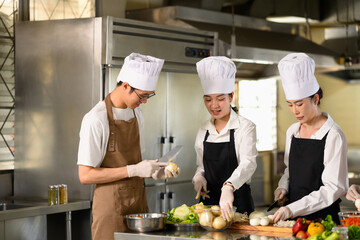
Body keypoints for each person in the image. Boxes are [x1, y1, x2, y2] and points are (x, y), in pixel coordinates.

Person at [77, 53, 178, 240]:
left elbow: (137, 163)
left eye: (149, 96)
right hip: (110, 211)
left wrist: (154, 171)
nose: (145, 101)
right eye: (143, 95)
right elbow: (85, 175)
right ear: (125, 86)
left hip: (139, 208)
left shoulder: (137, 115)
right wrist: (133, 170)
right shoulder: (96, 119)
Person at [273, 53, 348, 224]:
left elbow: (333, 188)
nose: (294, 111)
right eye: (290, 104)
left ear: (315, 98)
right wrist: (283, 186)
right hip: (293, 220)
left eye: (299, 104)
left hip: (323, 221)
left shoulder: (333, 135)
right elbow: (290, 171)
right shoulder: (292, 131)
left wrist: (292, 209)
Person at [192, 56, 258, 219]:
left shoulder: (245, 127)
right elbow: (201, 166)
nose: (214, 105)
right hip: (208, 210)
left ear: (231, 96)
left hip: (238, 206)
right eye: (208, 99)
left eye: (220, 99)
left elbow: (248, 163)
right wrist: (198, 177)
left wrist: (229, 187)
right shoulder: (203, 130)